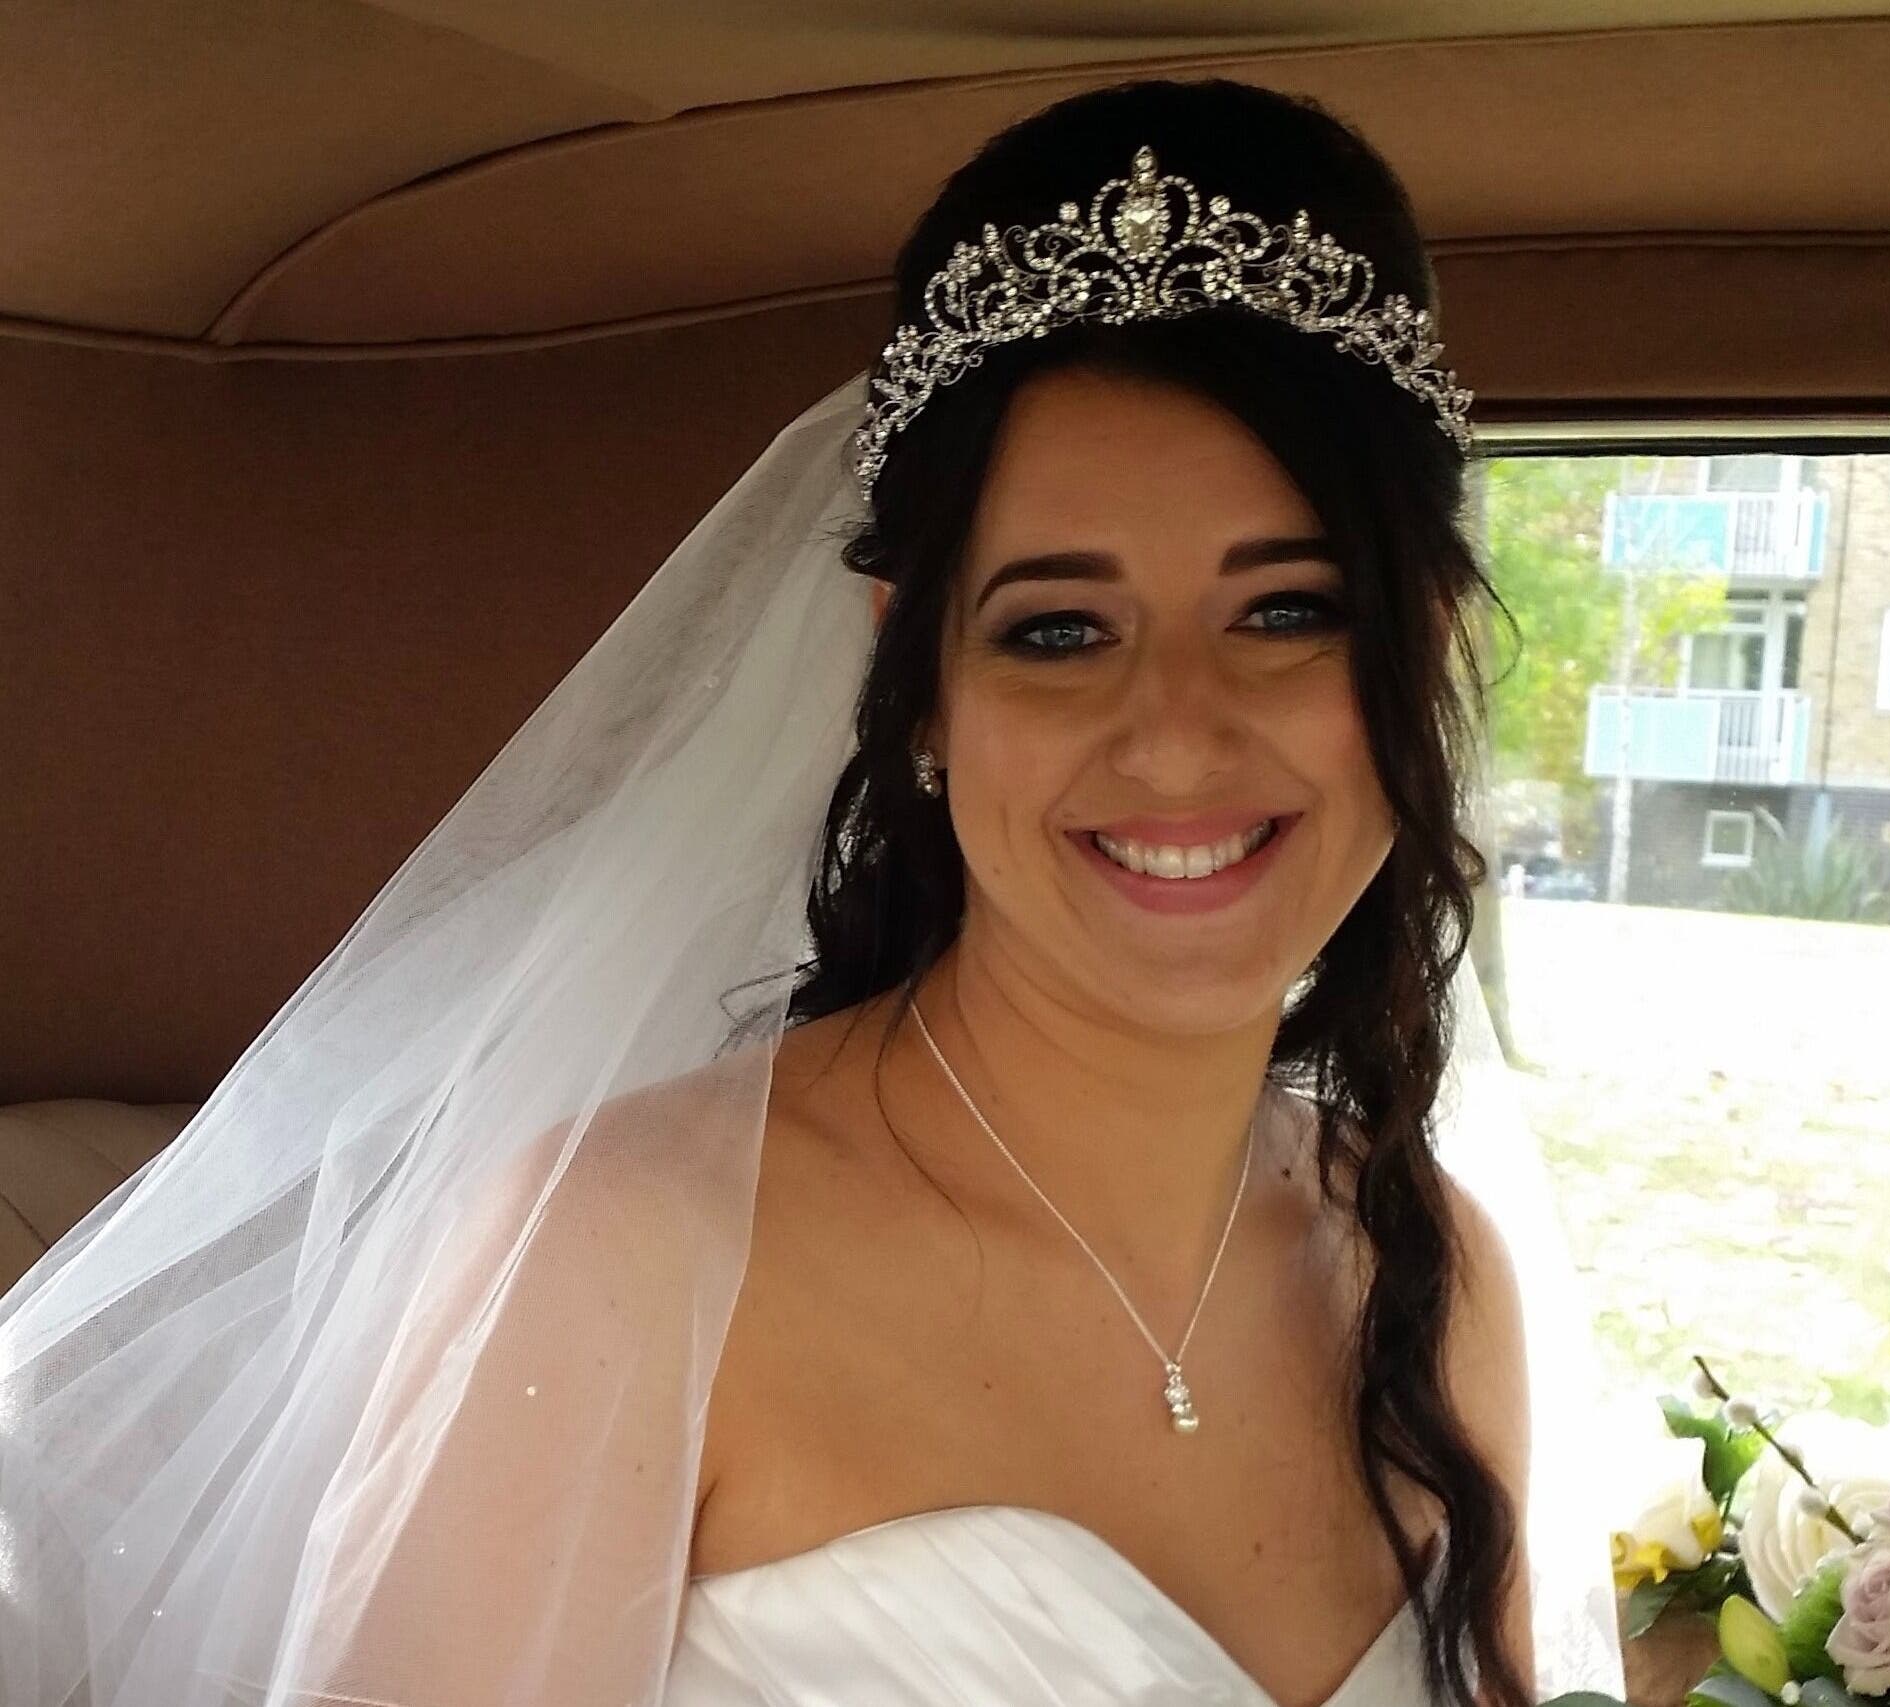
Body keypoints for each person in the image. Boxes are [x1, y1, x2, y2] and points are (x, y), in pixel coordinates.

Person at [0, 78, 1626, 1707]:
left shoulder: (1433, 1274)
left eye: (1287, 612)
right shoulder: (630, 1256)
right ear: (917, 685)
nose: (1180, 732)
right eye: (1059, 630)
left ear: (1419, 645)